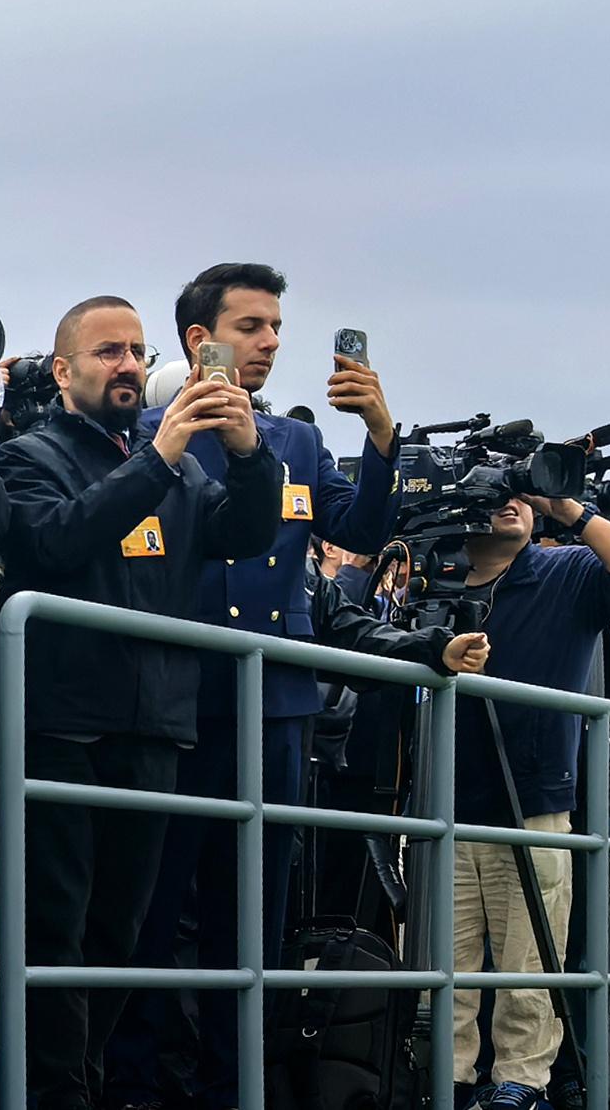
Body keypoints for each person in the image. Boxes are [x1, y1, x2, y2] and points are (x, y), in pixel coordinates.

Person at [115, 263, 401, 1109]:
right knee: (154, 908)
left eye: (276, 326)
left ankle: (233, 1086)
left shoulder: (300, 444)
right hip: (177, 699)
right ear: (200, 340)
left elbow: (360, 527)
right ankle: (137, 1083)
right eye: (251, 327)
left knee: (255, 918)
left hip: (277, 705)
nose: (271, 342)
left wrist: (380, 429)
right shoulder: (148, 436)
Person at [0, 295, 281, 1109]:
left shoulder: (184, 466)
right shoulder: (28, 453)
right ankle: (52, 1095)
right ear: (63, 369)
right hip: (62, 727)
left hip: (156, 728)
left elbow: (246, 535)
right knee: (56, 932)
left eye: (136, 350)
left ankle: (83, 1085)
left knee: (120, 937)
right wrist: (155, 457)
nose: (126, 364)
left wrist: (249, 453)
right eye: (106, 351)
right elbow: (52, 542)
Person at [437, 492, 610, 1110]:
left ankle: (520, 1083)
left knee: (529, 960)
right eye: (491, 494)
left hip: (534, 797)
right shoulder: (434, 572)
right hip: (440, 801)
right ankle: (446, 1079)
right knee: (443, 966)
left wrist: (568, 506)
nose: (509, 503)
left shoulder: (562, 568)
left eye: (519, 495)